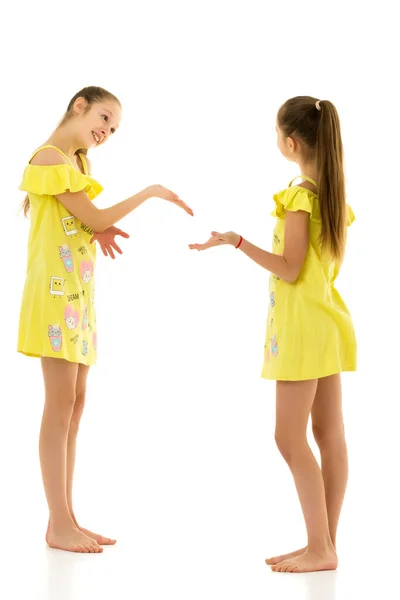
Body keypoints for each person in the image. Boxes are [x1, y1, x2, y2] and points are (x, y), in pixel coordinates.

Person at [18, 86, 193, 554]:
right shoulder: (50, 159)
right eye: (104, 117)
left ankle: (67, 517)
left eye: (114, 128)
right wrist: (149, 193)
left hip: (76, 297)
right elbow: (93, 215)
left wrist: (96, 229)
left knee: (74, 404)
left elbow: (80, 221)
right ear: (80, 105)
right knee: (59, 407)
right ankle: (59, 522)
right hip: (53, 298)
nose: (107, 131)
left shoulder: (76, 163)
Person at [189, 96, 356, 573]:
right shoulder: (333, 192)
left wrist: (236, 241)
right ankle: (324, 543)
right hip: (326, 324)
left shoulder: (301, 195)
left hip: (303, 329)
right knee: (328, 434)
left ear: (290, 142)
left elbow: (289, 268)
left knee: (289, 437)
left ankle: (321, 547)